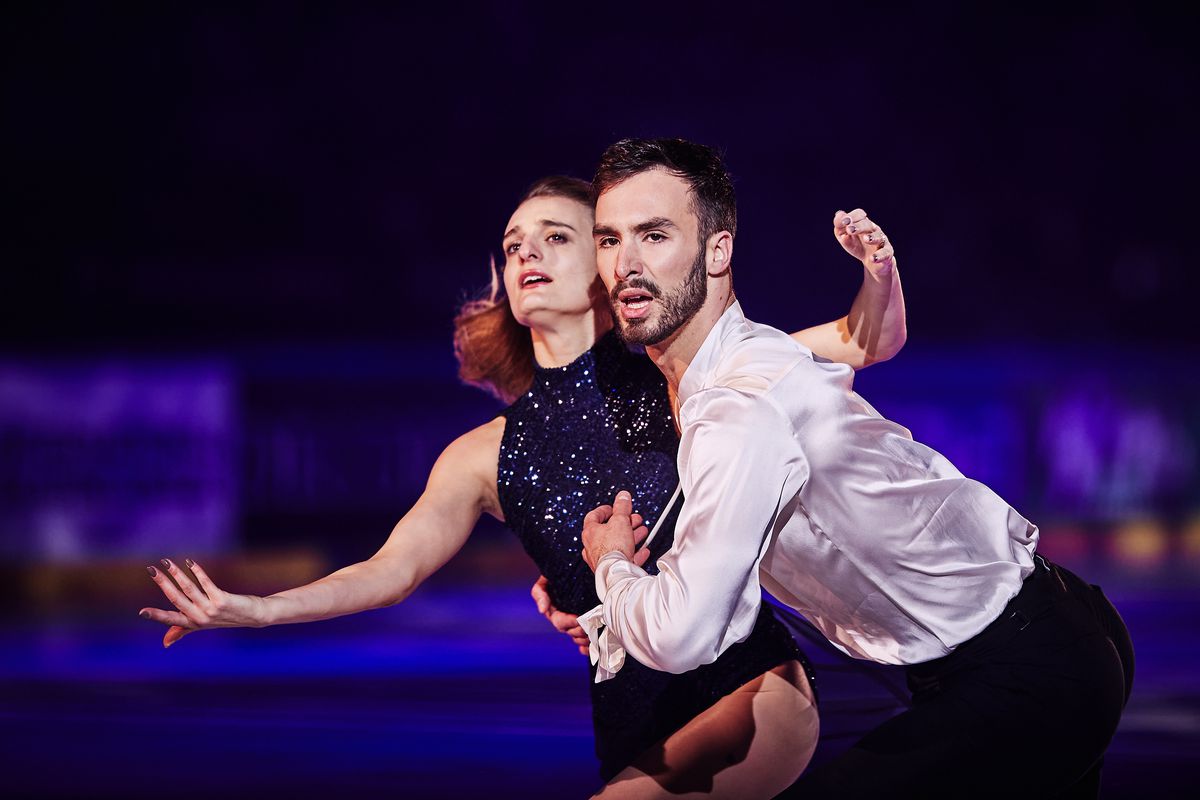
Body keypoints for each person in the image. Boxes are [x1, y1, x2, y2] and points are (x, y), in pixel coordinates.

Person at [139, 173, 907, 797]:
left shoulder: (685, 372)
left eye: (557, 237)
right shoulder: (482, 455)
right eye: (513, 245)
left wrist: (878, 272)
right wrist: (260, 610)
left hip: (750, 692)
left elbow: (859, 340)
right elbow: (391, 570)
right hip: (629, 727)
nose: (527, 252)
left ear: (607, 266)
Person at [578, 138, 1134, 798]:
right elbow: (873, 338)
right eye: (609, 239)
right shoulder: (746, 361)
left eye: (654, 235)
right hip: (1042, 637)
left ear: (717, 251)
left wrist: (611, 568)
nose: (626, 264)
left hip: (1029, 673)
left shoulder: (738, 408)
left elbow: (682, 634)